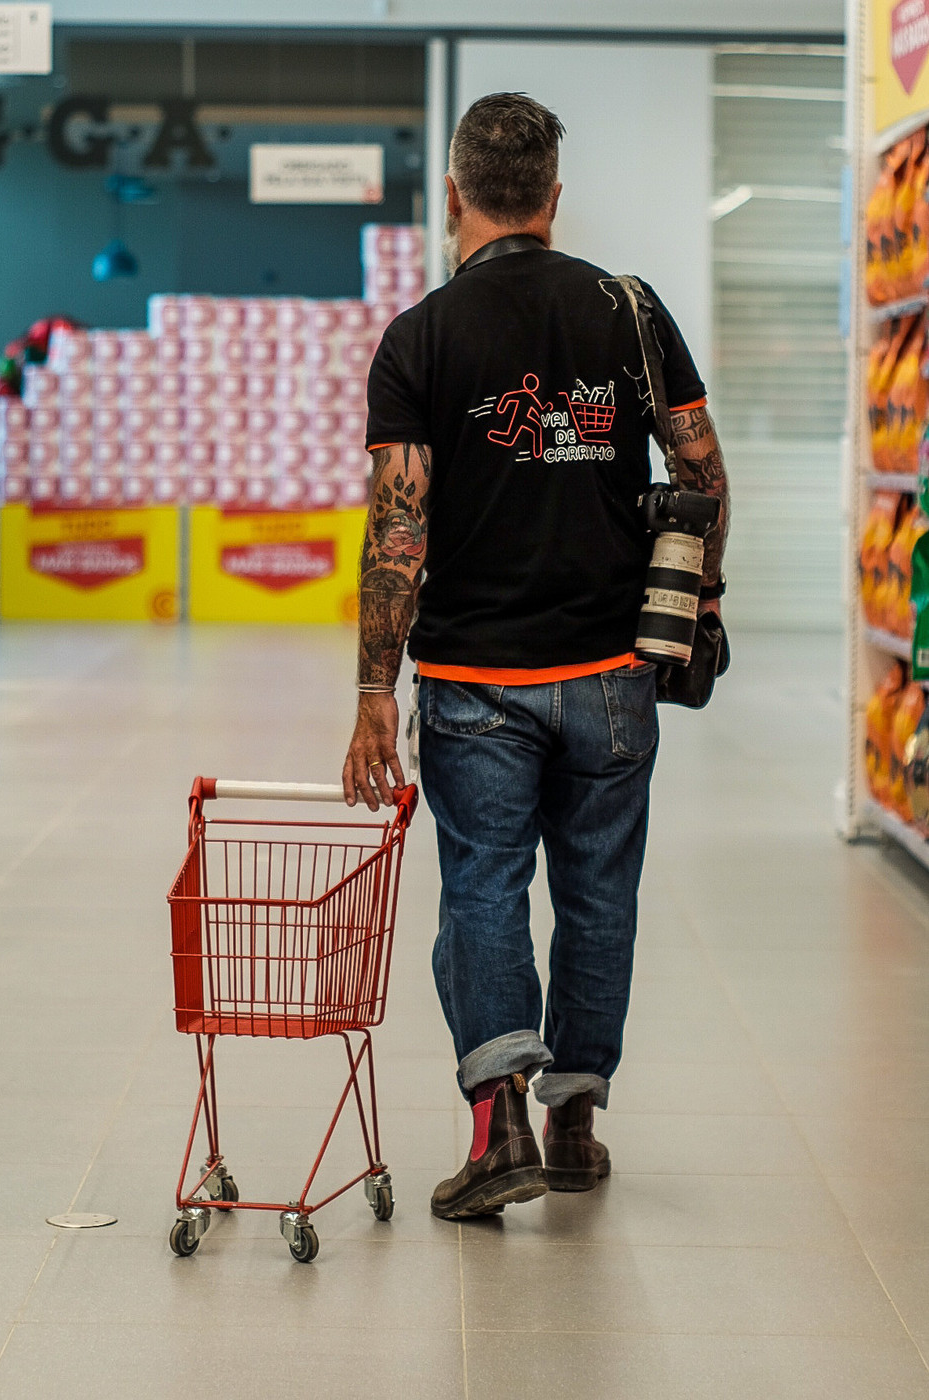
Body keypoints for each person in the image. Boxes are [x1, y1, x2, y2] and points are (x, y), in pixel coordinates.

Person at [342, 92, 729, 1221]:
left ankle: (495, 1119)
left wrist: (375, 686)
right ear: (554, 199)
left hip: (474, 683)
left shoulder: (420, 337)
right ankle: (574, 1120)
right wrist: (696, 606)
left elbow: (396, 532)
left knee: (482, 888)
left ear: (454, 195)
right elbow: (703, 475)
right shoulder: (631, 309)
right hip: (613, 671)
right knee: (601, 894)